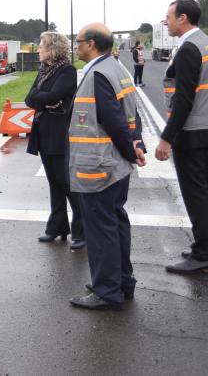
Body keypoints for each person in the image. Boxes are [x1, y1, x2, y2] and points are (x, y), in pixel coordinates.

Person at [68, 23, 146, 311]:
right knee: (115, 223)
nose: (75, 47)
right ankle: (122, 282)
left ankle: (106, 290)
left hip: (99, 166)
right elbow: (131, 114)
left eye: (77, 42)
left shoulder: (98, 74)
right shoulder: (116, 68)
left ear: (91, 44)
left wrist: (130, 150)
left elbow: (113, 120)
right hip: (116, 163)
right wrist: (135, 148)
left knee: (100, 230)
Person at [155, 0, 208, 275]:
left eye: (169, 16)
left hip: (192, 132)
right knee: (203, 191)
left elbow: (183, 100)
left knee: (197, 194)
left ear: (182, 18)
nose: (166, 21)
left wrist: (167, 138)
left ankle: (206, 254)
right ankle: (204, 246)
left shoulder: (188, 50)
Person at [25, 32, 85, 250]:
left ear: (52, 48)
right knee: (54, 182)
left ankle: (81, 230)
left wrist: (42, 98)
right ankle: (57, 227)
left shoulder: (66, 70)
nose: (38, 49)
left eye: (41, 45)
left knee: (67, 183)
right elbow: (28, 98)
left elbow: (51, 96)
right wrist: (44, 99)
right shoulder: (44, 70)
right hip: (44, 132)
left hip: (60, 134)